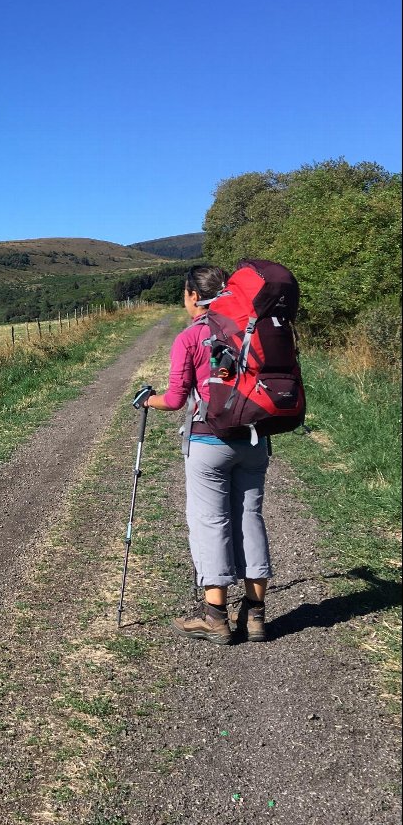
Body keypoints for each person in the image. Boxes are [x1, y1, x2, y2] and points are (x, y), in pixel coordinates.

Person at [142, 264, 271, 644]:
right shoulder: (250, 329)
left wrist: (148, 400)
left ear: (193, 296)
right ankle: (256, 615)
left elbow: (174, 399)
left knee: (210, 522)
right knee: (249, 516)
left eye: (185, 295)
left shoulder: (190, 337)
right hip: (253, 440)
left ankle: (215, 617)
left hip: (208, 442)